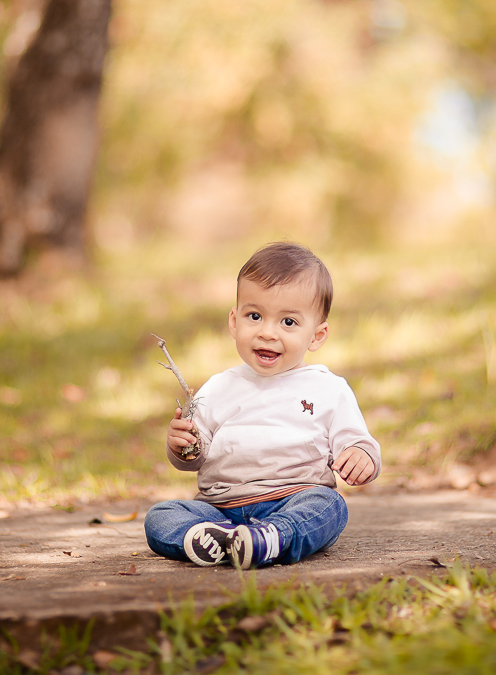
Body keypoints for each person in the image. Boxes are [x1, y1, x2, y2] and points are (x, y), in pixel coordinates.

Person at [144, 242, 381, 569]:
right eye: (254, 316)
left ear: (317, 335)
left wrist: (361, 455)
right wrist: (183, 445)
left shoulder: (328, 389)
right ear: (234, 321)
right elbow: (191, 459)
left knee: (330, 506)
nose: (267, 333)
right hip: (220, 507)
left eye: (288, 323)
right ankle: (217, 538)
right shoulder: (218, 388)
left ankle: (273, 536)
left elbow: (357, 441)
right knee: (160, 516)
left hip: (294, 500)